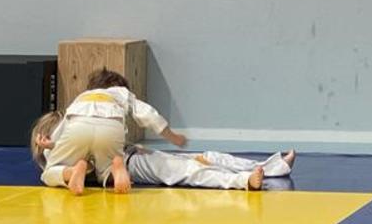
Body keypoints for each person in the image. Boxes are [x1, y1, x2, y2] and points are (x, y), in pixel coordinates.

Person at [30, 110, 295, 191]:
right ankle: (243, 181)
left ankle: (271, 166)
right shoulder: (60, 159)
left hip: (133, 155)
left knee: (205, 158)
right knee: (189, 170)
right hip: (131, 162)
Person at [38, 68, 187, 194]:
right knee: (104, 171)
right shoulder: (123, 94)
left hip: (79, 125)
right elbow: (149, 115)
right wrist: (173, 137)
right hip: (111, 126)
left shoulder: (82, 98)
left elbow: (66, 125)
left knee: (49, 172)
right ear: (122, 87)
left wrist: (53, 144)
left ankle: (71, 172)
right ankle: (115, 171)